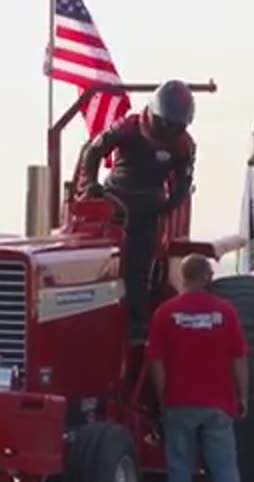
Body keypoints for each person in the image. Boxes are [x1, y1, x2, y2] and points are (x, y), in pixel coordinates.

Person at [77, 80, 197, 343]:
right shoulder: (128, 127)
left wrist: (172, 201)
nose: (170, 131)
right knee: (102, 258)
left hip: (150, 206)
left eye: (177, 127)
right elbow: (94, 150)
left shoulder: (184, 145)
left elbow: (184, 179)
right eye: (167, 124)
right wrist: (92, 184)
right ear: (154, 115)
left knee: (139, 265)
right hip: (116, 199)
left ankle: (137, 325)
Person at [146, 254, 248, 482]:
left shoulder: (165, 314)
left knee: (179, 469)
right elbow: (239, 358)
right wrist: (243, 395)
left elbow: (156, 361)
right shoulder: (226, 312)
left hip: (180, 402)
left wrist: (163, 397)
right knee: (224, 468)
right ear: (207, 277)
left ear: (183, 277)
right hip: (218, 403)